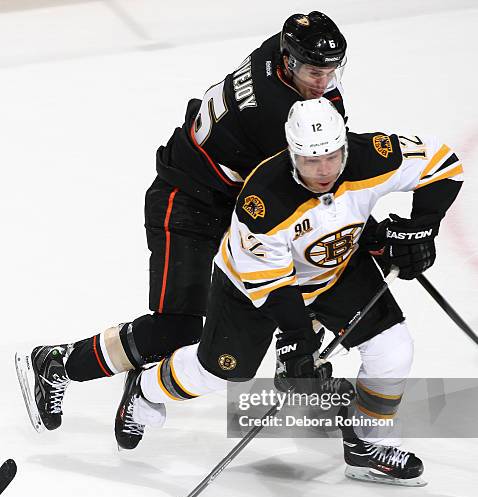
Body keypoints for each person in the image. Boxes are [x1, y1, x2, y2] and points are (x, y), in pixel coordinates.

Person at [16, 12, 348, 443]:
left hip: (226, 200)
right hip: (186, 203)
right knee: (178, 327)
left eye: (329, 70)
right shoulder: (275, 112)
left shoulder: (279, 56)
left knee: (313, 264)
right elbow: (313, 188)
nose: (323, 82)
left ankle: (288, 354)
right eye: (313, 72)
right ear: (287, 62)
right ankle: (56, 363)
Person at [109, 98, 461, 485]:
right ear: (292, 154)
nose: (324, 169)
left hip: (338, 269)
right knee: (218, 374)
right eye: (311, 161)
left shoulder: (370, 156)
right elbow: (272, 285)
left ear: (344, 144)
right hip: (253, 289)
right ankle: (144, 389)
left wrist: (421, 228)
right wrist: (297, 339)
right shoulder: (264, 201)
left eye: (332, 155)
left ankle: (365, 445)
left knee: (394, 350)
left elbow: (444, 164)